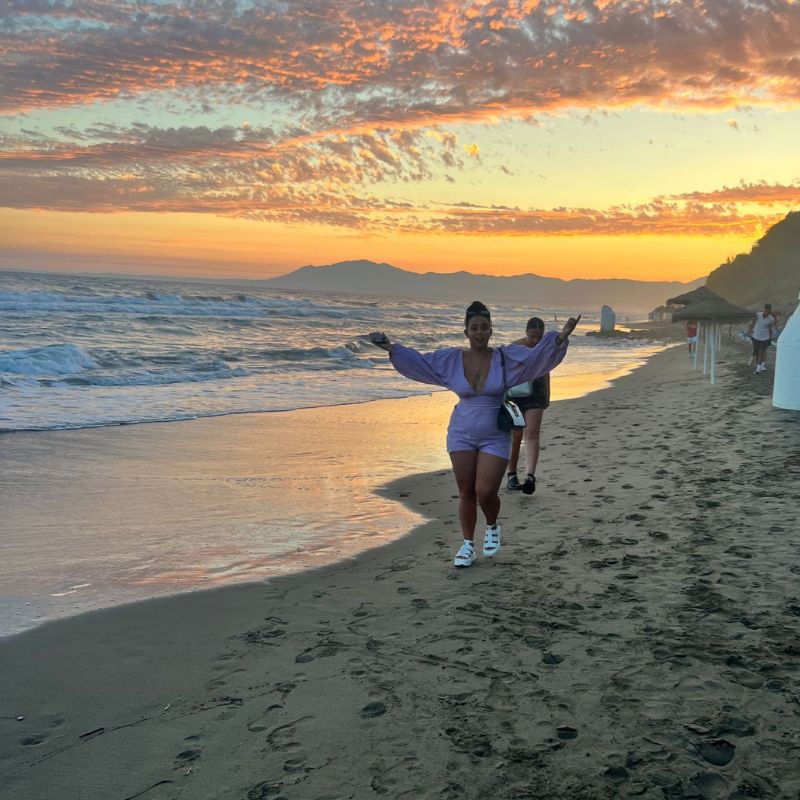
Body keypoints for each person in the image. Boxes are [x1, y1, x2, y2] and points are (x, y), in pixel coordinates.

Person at [369, 301, 579, 568]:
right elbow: (420, 361)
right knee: (466, 491)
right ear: (466, 332)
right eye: (474, 328)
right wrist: (390, 347)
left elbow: (535, 358)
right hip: (461, 433)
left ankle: (491, 524)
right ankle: (467, 545)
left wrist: (560, 337)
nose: (479, 332)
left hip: (495, 434)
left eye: (484, 327)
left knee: (485, 491)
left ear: (491, 330)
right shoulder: (451, 359)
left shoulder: (504, 357)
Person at [506, 317, 550, 495]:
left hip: (537, 391)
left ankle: (530, 476)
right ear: (526, 332)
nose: (536, 341)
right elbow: (506, 371)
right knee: (516, 435)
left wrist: (547, 394)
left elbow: (546, 371)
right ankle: (511, 475)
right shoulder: (515, 348)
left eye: (540, 337)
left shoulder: (544, 349)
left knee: (532, 433)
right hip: (515, 394)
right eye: (533, 336)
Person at [748, 303, 776, 374]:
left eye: (768, 311)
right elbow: (752, 323)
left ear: (770, 310)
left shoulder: (771, 319)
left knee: (761, 352)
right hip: (756, 336)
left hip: (765, 338)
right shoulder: (758, 315)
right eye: (766, 310)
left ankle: (758, 368)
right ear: (764, 309)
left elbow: (771, 328)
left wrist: (772, 336)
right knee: (755, 350)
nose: (767, 312)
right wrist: (749, 331)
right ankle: (753, 359)